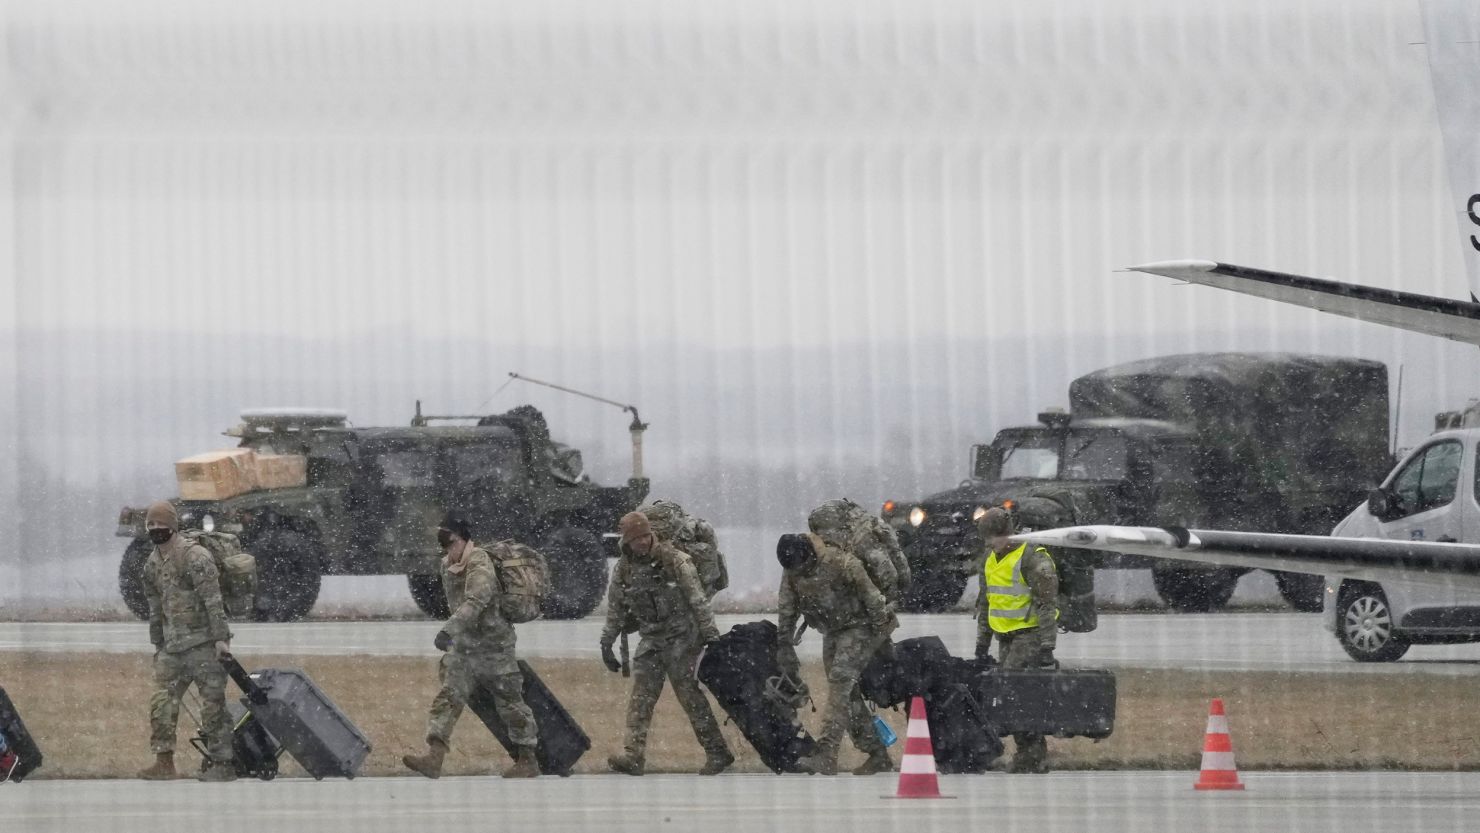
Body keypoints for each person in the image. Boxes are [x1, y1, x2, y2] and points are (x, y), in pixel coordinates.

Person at [403, 514, 540, 779]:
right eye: (442, 543)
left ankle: (528, 758)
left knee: (510, 703)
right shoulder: (447, 565)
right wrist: (456, 634)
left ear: (463, 539)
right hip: (465, 647)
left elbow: (476, 601)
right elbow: (457, 604)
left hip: (494, 645)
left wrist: (448, 630)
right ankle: (434, 757)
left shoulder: (480, 562)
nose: (447, 550)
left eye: (450, 542)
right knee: (449, 697)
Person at [599, 511, 734, 776]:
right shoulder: (624, 568)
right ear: (626, 541)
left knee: (689, 697)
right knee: (641, 698)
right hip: (652, 639)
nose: (641, 542)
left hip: (683, 637)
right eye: (635, 538)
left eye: (645, 536)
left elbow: (698, 601)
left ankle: (718, 752)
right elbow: (615, 608)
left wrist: (711, 637)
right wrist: (606, 643)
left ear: (651, 534)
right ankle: (633, 756)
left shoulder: (676, 560)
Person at [776, 532, 897, 776]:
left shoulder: (841, 562)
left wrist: (883, 637)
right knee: (848, 697)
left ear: (809, 555)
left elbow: (872, 598)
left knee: (840, 684)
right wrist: (784, 645)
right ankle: (877, 753)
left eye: (803, 567)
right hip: (832, 631)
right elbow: (787, 609)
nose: (799, 573)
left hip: (861, 626)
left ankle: (826, 754)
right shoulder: (791, 570)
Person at [136, 500, 235, 782]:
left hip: (204, 645)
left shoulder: (195, 556)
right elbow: (155, 608)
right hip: (172, 648)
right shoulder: (151, 564)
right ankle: (164, 762)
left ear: (173, 526)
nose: (156, 529)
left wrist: (221, 640)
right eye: (151, 525)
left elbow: (213, 600)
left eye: (161, 525)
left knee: (212, 706)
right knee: (161, 703)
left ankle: (223, 764)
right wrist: (158, 644)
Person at [974, 507, 1060, 774]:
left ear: (1009, 534)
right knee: (1014, 694)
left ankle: (1030, 753)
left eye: (996, 538)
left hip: (1030, 635)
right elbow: (986, 603)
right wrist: (982, 644)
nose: (992, 544)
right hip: (1006, 636)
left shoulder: (1033, 558)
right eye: (988, 539)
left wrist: (1047, 646)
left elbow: (1046, 605)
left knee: (1013, 692)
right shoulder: (989, 558)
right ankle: (1032, 752)